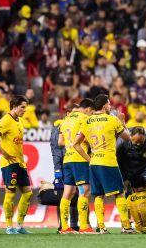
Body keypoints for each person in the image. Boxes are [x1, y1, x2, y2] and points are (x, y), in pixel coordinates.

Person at [73, 94, 133, 234]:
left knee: (98, 195)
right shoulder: (112, 120)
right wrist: (122, 122)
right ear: (105, 105)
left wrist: (89, 159)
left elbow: (75, 144)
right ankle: (126, 226)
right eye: (109, 104)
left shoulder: (87, 122)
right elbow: (128, 138)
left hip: (94, 162)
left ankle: (101, 227)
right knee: (119, 193)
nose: (110, 106)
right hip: (109, 162)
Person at [0, 96, 32, 234]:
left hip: (20, 163)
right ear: (14, 106)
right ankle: (9, 226)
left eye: (25, 107)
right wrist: (4, 153)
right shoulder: (6, 120)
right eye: (22, 107)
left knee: (28, 193)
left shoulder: (19, 121)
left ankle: (19, 226)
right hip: (9, 164)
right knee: (11, 194)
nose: (25, 110)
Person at [57, 98, 95, 234]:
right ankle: (84, 226)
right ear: (89, 109)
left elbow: (59, 141)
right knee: (85, 191)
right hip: (80, 158)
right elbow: (88, 138)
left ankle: (64, 227)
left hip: (67, 159)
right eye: (92, 112)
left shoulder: (65, 120)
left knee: (68, 193)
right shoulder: (85, 118)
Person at [50, 105, 78, 233]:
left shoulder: (80, 124)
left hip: (78, 163)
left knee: (79, 195)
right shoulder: (59, 128)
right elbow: (56, 151)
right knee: (65, 195)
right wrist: (57, 172)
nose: (77, 115)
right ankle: (63, 224)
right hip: (65, 165)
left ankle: (75, 224)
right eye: (74, 112)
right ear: (67, 113)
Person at [117, 126, 146, 193]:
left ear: (145, 137)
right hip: (127, 171)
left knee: (143, 195)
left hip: (142, 172)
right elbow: (119, 163)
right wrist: (124, 178)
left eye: (141, 142)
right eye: (136, 142)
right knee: (126, 195)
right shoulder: (122, 143)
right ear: (130, 136)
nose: (138, 144)